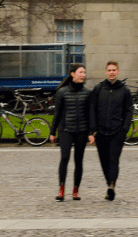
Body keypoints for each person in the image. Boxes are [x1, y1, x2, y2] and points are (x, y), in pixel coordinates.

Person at [90, 61, 133, 201]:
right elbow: (93, 110)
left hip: (117, 132)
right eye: (109, 70)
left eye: (114, 70)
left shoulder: (124, 91)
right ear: (106, 72)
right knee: (104, 161)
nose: (112, 72)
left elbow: (128, 111)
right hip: (101, 132)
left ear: (118, 72)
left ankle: (112, 185)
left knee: (114, 160)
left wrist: (124, 129)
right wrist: (93, 129)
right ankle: (109, 184)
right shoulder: (98, 88)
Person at [50, 64, 94, 202]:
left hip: (82, 130)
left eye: (84, 72)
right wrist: (52, 132)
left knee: (78, 161)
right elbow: (57, 114)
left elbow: (90, 114)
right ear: (73, 74)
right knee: (65, 158)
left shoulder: (88, 92)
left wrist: (91, 132)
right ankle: (61, 189)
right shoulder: (62, 92)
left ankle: (76, 190)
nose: (83, 75)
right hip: (66, 130)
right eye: (80, 72)